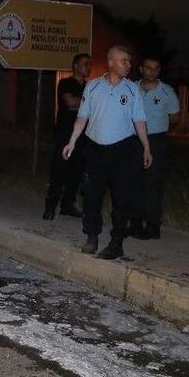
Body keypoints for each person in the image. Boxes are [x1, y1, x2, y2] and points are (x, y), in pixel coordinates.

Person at [62, 45, 153, 260]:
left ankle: (116, 243)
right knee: (92, 195)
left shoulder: (132, 90)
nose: (128, 65)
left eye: (129, 61)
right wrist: (72, 142)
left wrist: (146, 147)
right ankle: (91, 235)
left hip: (122, 150)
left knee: (121, 198)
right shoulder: (93, 87)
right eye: (124, 61)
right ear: (111, 62)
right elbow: (82, 117)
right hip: (95, 149)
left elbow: (139, 120)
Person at [128, 57, 179, 240]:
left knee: (153, 184)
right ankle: (135, 223)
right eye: (148, 67)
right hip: (134, 141)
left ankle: (152, 226)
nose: (152, 71)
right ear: (141, 69)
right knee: (134, 182)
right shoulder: (131, 88)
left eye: (156, 68)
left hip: (156, 141)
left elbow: (174, 118)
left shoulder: (167, 91)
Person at [43, 53, 92, 220]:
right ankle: (50, 207)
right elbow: (70, 103)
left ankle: (67, 205)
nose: (88, 67)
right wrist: (89, 102)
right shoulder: (65, 83)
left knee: (77, 171)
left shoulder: (90, 86)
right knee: (59, 170)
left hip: (84, 134)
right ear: (76, 66)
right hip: (65, 133)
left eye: (89, 64)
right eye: (85, 63)